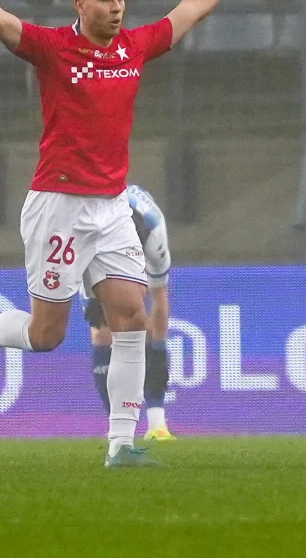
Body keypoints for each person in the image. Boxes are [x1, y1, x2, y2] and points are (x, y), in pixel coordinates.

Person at [0, 0, 273, 467]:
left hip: (113, 207)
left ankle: (121, 446)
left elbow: (194, 6)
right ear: (80, 3)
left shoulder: (134, 48)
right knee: (47, 337)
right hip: (59, 208)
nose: (117, 8)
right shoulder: (52, 48)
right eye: (105, 0)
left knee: (131, 316)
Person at [85, 184, 175, 441]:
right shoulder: (90, 229)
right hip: (98, 252)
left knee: (146, 328)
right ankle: (119, 428)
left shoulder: (154, 233)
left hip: (134, 242)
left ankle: (157, 422)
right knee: (102, 333)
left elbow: (159, 296)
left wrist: (157, 346)